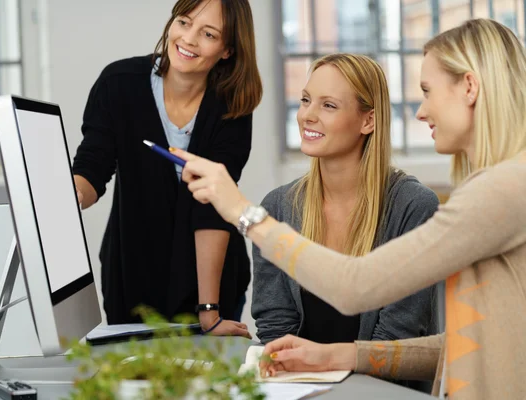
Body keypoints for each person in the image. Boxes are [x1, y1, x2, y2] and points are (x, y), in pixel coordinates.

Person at [173, 18, 526, 399]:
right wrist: (334, 356)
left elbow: (355, 286)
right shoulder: (503, 186)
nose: (421, 112)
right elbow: (459, 347)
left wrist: (242, 211)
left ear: (469, 87)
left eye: (427, 91)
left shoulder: (501, 190)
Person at [72, 0, 262, 338]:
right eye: (184, 22)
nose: (188, 39)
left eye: (208, 33)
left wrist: (209, 311)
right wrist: (71, 196)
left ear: (227, 49)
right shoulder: (119, 83)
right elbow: (92, 167)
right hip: (132, 278)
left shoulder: (232, 104)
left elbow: (213, 208)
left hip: (212, 285)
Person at [251, 54, 439, 352]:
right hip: (300, 386)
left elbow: (397, 335)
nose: (307, 115)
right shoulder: (277, 207)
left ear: (368, 120)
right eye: (305, 100)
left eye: (328, 105)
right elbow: (275, 325)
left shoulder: (413, 206)